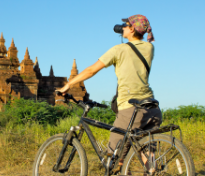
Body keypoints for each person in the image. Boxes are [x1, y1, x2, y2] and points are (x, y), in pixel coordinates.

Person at [56, 14, 162, 173]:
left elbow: (91, 70)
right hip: (152, 108)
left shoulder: (119, 50)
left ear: (132, 29)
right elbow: (140, 41)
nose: (122, 28)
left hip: (130, 107)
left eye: (125, 25)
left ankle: (116, 167)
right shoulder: (149, 48)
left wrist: (68, 85)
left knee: (111, 158)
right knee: (145, 154)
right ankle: (151, 169)